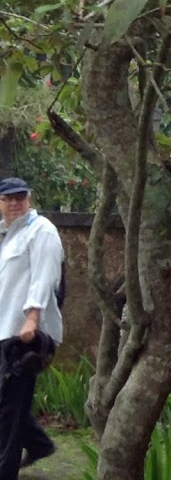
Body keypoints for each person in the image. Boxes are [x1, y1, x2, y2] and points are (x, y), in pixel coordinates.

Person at [0, 177, 64, 479]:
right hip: (6, 332)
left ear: (29, 197)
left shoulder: (42, 231)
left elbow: (45, 277)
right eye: (8, 198)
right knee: (9, 405)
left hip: (25, 335)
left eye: (20, 197)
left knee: (9, 413)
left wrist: (32, 319)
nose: (14, 203)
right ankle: (39, 444)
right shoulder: (9, 235)